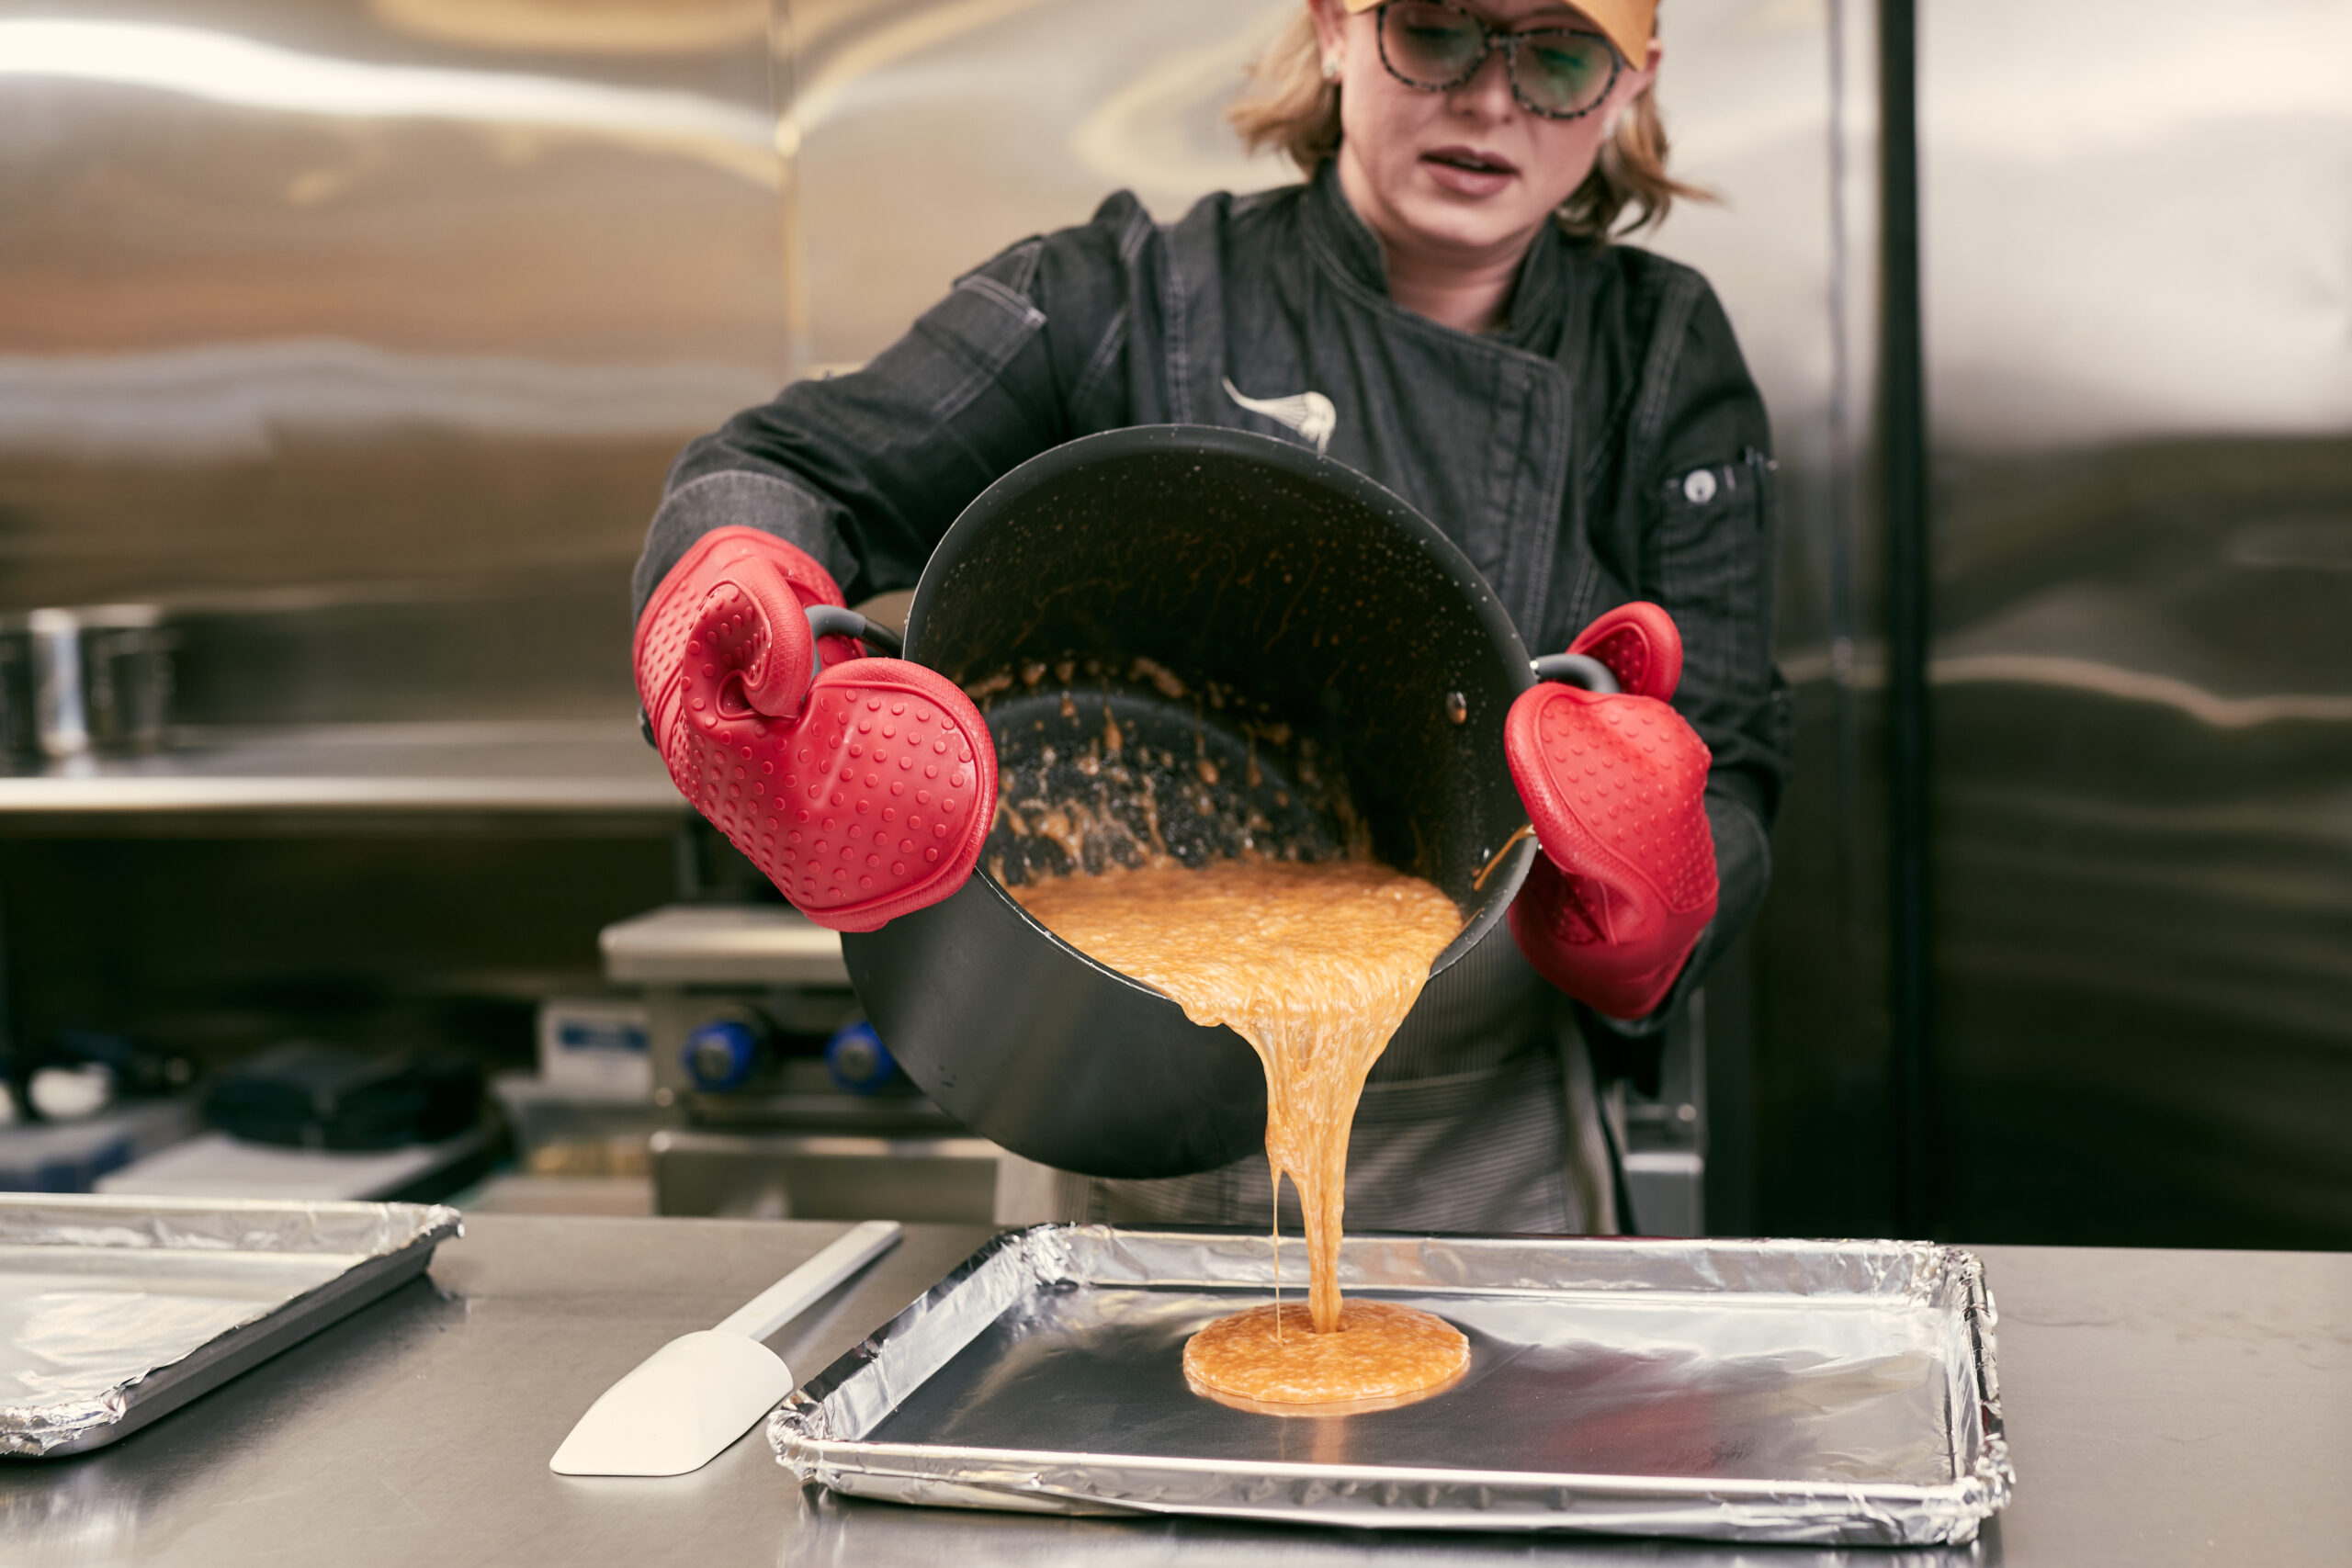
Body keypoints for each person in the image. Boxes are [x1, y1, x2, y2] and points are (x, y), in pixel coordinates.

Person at [631, 0, 1790, 1234]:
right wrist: (729, 614)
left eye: (1558, 55)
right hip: (1113, 1133)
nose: (1491, 99)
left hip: (1488, 1160)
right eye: (1441, 32)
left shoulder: (1660, 353)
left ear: (1629, 85)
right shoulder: (1129, 297)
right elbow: (787, 468)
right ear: (1339, 27)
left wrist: (1662, 894)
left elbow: (1733, 753)